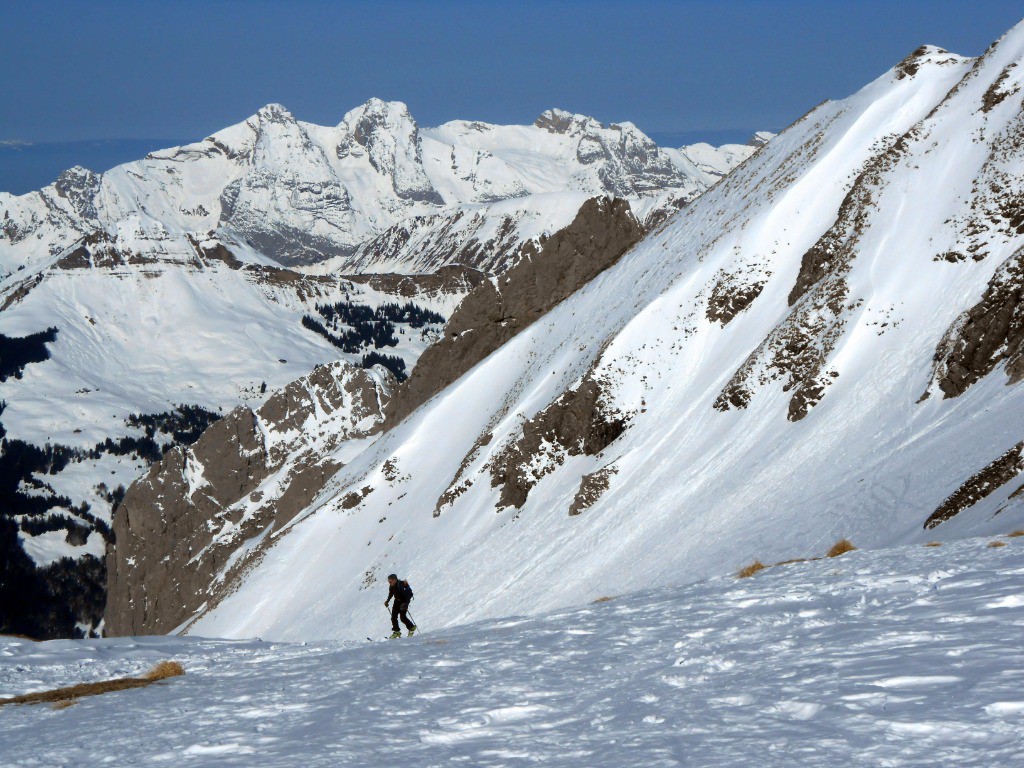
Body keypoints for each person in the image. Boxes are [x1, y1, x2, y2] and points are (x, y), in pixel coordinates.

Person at [385, 573, 416, 639]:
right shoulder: (391, 586)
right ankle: (396, 631)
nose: (389, 582)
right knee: (393, 617)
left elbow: (409, 594)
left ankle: (411, 628)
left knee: (402, 617)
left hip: (403, 602)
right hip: (397, 601)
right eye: (389, 581)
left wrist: (406, 603)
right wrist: (387, 601)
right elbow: (391, 593)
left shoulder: (401, 585)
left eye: (390, 581)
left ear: (394, 580)